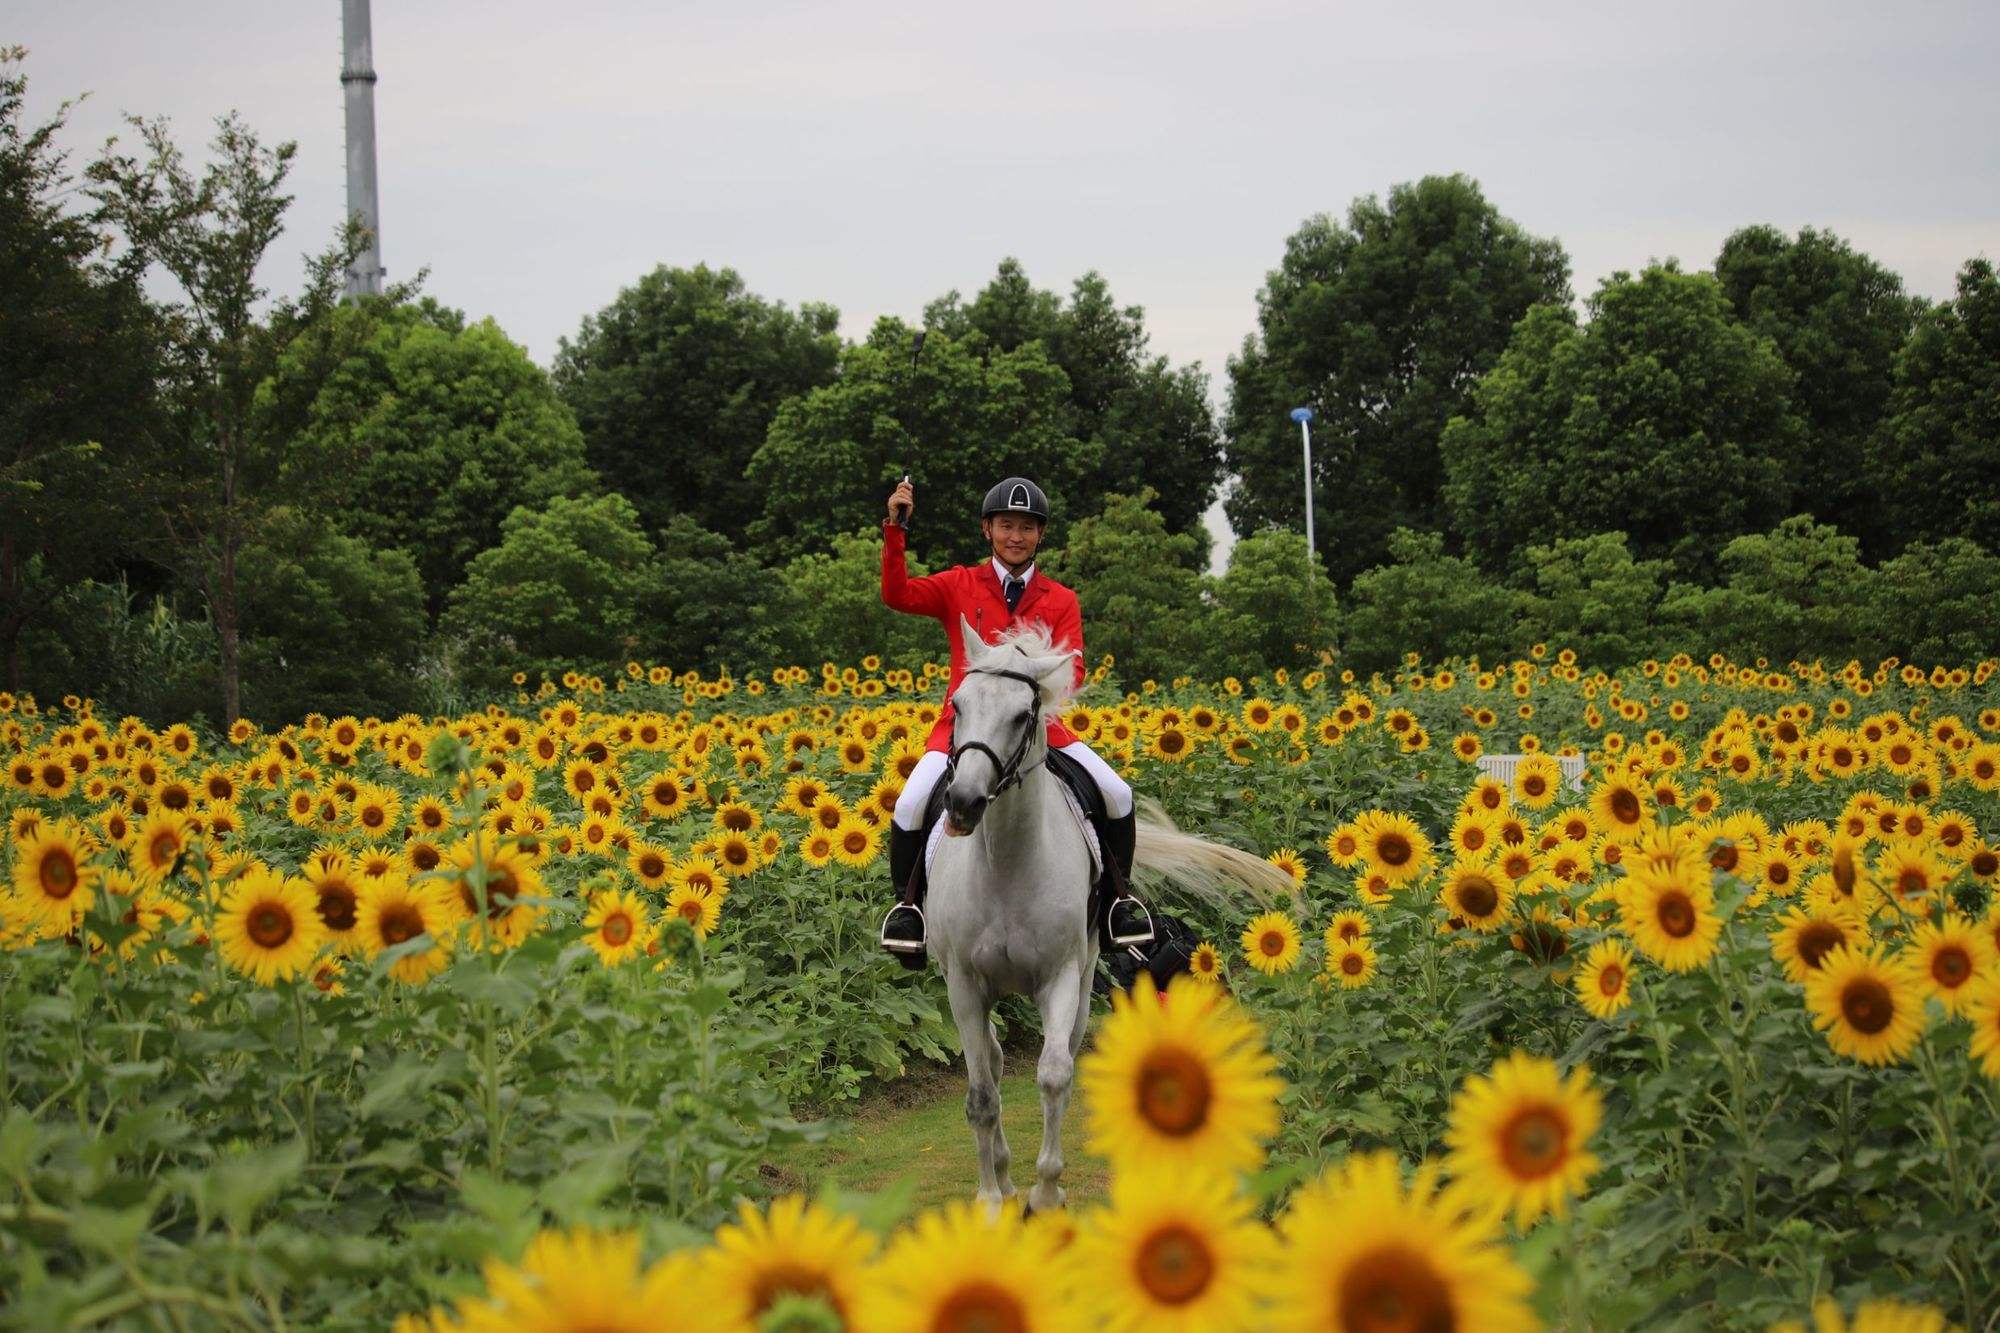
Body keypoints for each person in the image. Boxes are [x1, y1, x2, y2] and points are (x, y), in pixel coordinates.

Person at [876, 475, 1152, 968]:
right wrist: (896, 529)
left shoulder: (1062, 598)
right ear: (988, 529)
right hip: (965, 731)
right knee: (911, 803)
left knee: (1117, 793)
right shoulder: (958, 584)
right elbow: (897, 595)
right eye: (1006, 525)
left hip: (1040, 731)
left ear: (1040, 535)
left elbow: (1074, 668)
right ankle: (909, 910)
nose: (1016, 536)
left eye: (1027, 527)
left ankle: (1118, 905)